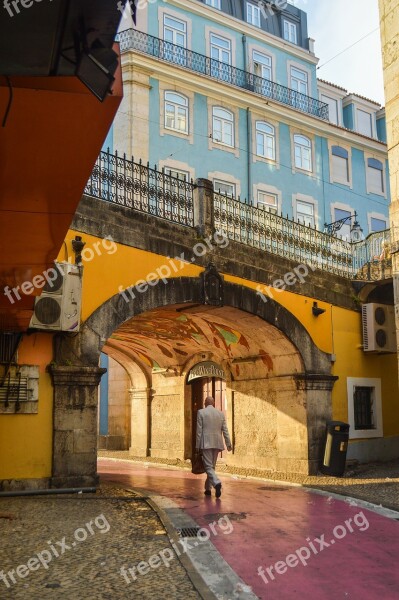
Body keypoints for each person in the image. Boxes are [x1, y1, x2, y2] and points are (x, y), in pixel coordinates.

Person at [195, 396, 232, 498]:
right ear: (214, 403)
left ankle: (216, 483)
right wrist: (228, 443)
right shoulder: (220, 414)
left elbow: (199, 431)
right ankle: (208, 489)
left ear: (205, 403)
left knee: (208, 467)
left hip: (205, 443)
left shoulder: (201, 412)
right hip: (217, 442)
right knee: (212, 467)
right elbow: (225, 430)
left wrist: (197, 445)